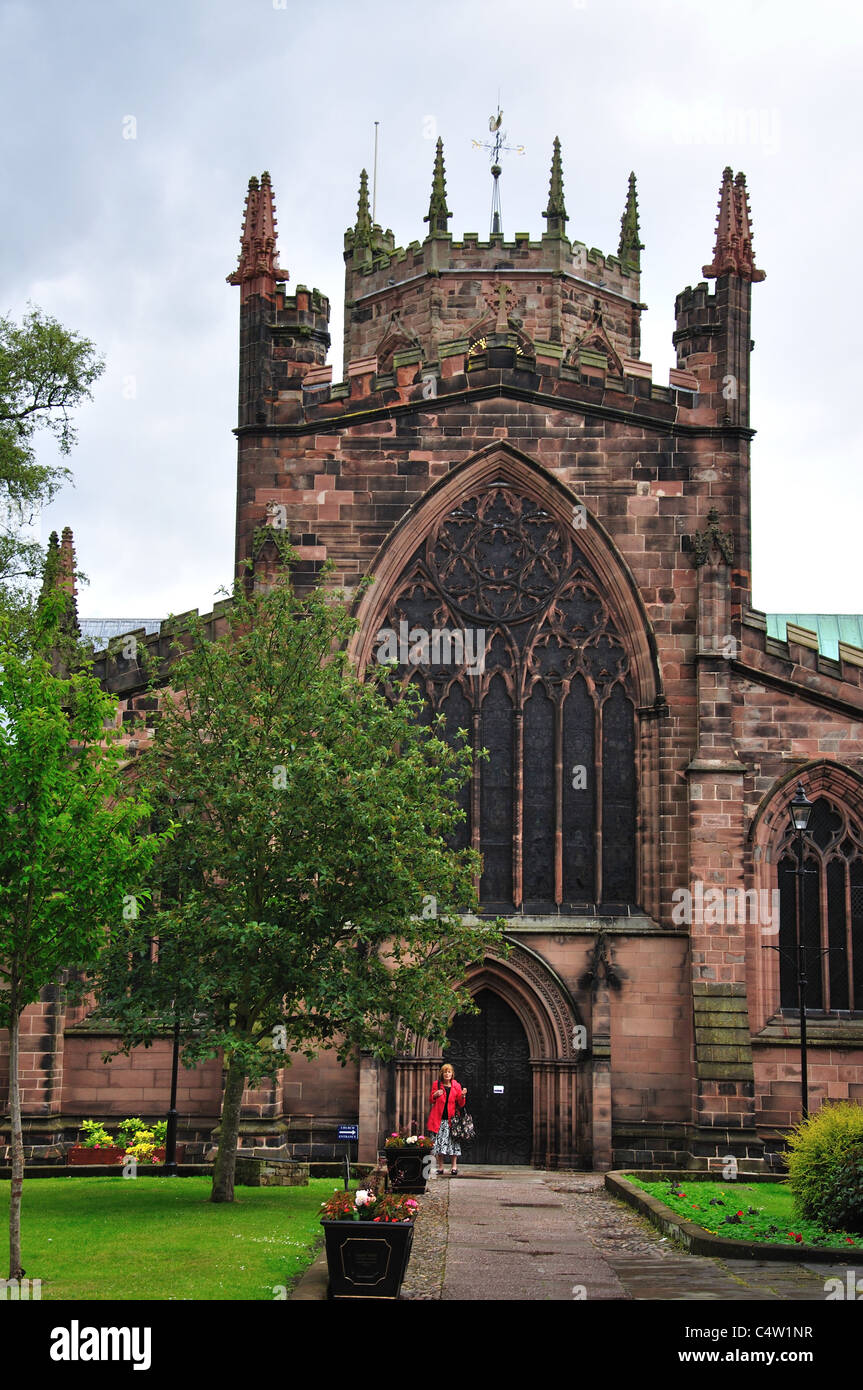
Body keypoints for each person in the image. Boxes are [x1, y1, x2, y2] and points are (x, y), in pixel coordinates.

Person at [427, 1063, 467, 1176]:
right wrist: (435, 1094)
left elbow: (460, 1103)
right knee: (440, 1144)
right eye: (445, 1072)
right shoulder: (437, 1084)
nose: (447, 1074)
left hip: (452, 1120)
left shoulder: (456, 1085)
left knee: (453, 1143)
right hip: (439, 1119)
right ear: (442, 1074)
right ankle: (441, 1167)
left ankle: (454, 1167)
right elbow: (431, 1099)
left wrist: (463, 1096)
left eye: (449, 1072)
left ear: (452, 1074)